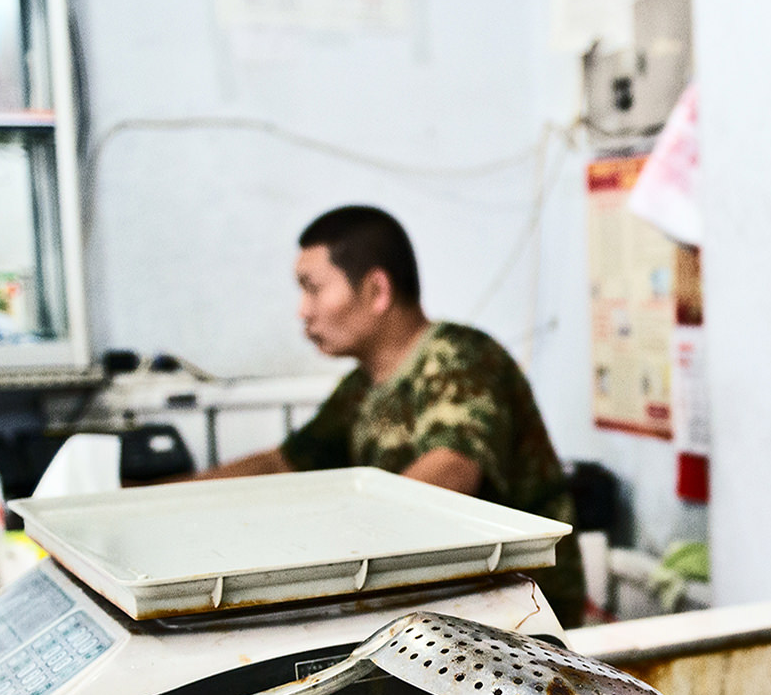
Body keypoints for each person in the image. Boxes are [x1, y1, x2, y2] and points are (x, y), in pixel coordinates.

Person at [195, 205, 585, 620]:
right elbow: (283, 462)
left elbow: (452, 467)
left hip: (525, 615)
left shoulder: (459, 355)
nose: (303, 311)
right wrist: (153, 493)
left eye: (313, 288)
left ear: (377, 290)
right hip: (443, 612)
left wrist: (327, 546)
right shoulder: (363, 388)